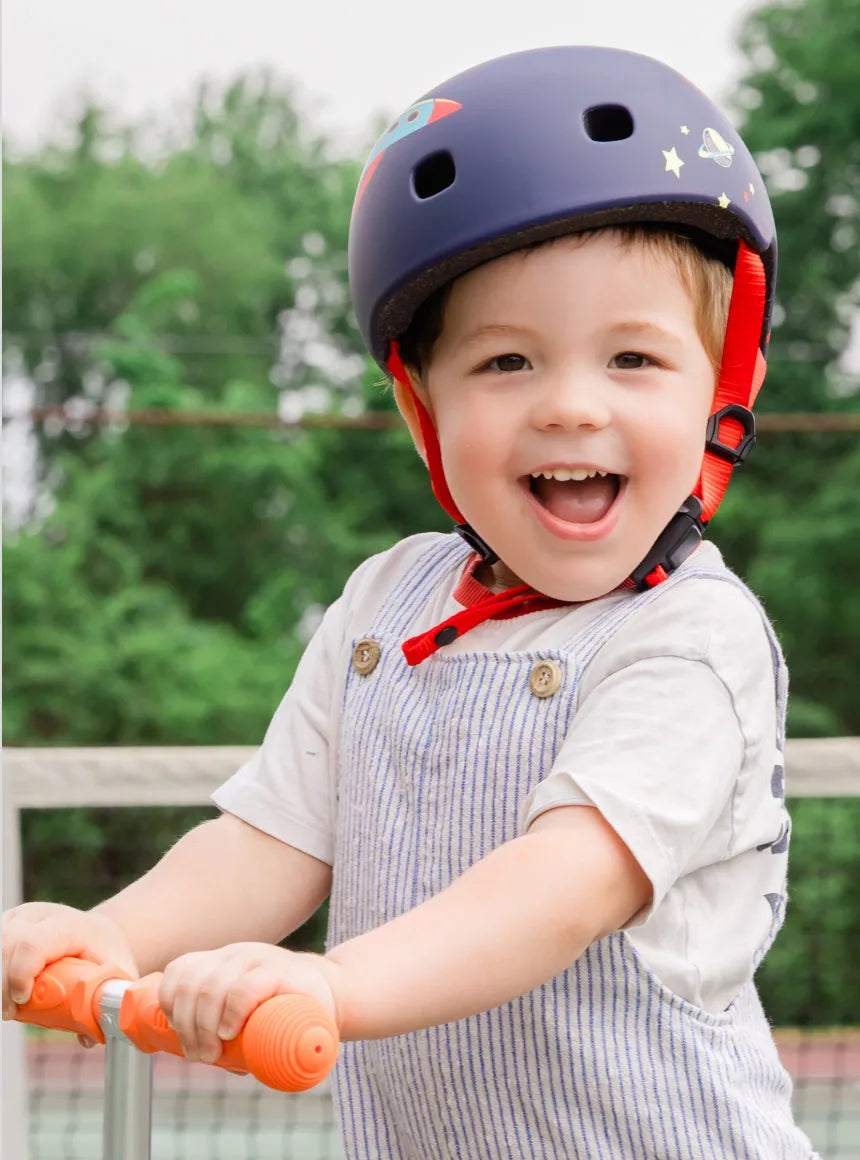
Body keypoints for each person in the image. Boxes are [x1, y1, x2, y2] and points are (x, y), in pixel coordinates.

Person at [3, 46, 816, 1159]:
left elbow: (558, 888)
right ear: (419, 401)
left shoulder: (689, 638)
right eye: (505, 363)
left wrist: (329, 980)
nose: (571, 406)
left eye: (631, 357)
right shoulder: (386, 602)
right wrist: (110, 933)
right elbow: (269, 841)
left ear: (720, 388)